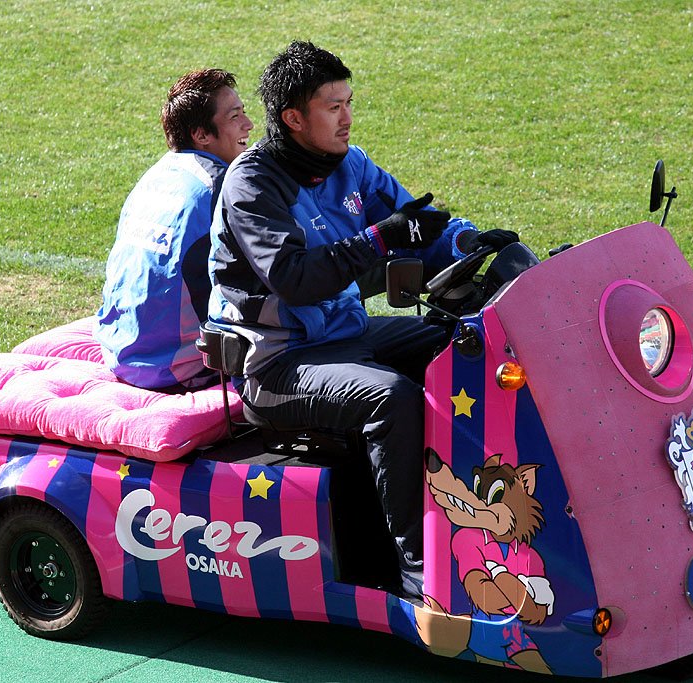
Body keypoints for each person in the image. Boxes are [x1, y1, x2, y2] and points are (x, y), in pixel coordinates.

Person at [208, 41, 517, 599]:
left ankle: (485, 511)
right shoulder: (251, 184)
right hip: (277, 365)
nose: (347, 117)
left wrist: (469, 241)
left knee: (463, 340)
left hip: (345, 336)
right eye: (333, 107)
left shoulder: (350, 164)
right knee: (391, 398)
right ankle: (417, 566)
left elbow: (417, 221)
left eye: (349, 102)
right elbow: (295, 279)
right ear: (293, 118)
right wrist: (379, 239)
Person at [96, 69, 255, 391]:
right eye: (235, 116)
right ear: (201, 134)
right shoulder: (223, 187)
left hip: (119, 351)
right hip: (180, 369)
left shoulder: (156, 175)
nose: (249, 124)